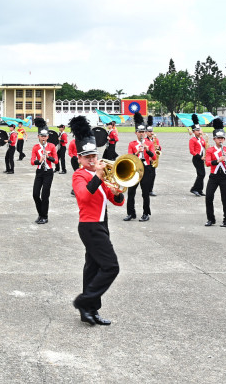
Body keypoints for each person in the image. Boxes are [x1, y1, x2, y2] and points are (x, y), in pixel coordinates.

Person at [69, 115, 125, 326]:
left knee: (92, 268)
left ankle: (90, 311)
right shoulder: (79, 175)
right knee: (111, 266)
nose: (92, 160)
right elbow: (83, 197)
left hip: (102, 224)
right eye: (87, 157)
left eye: (94, 156)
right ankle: (84, 301)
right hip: (90, 226)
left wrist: (118, 191)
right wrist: (98, 176)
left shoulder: (98, 174)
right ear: (79, 159)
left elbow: (116, 201)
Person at [204, 121, 226, 227]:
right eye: (218, 138)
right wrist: (218, 160)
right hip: (213, 176)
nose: (220, 140)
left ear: (224, 139)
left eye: (222, 138)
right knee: (208, 196)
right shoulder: (210, 150)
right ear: (214, 139)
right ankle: (210, 219)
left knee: (225, 198)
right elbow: (207, 163)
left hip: (224, 176)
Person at [125, 116, 155, 222]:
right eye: (139, 132)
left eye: (143, 132)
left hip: (146, 168)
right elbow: (129, 157)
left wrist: (147, 150)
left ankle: (146, 213)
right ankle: (130, 213)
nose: (141, 134)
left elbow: (154, 157)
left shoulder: (150, 143)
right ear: (136, 133)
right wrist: (137, 152)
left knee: (145, 192)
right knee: (131, 192)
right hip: (135, 169)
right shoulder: (132, 144)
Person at [31, 118, 58, 224]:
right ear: (38, 136)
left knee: (45, 195)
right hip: (39, 172)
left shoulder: (51, 146)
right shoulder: (36, 147)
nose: (43, 138)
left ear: (48, 136)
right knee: (35, 194)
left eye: (45, 136)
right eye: (41, 136)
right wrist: (40, 160)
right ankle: (40, 214)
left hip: (48, 172)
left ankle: (44, 216)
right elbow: (32, 161)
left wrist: (48, 157)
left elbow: (56, 161)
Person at [188, 118, 207, 197]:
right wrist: (200, 157)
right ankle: (194, 189)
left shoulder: (201, 139)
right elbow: (192, 151)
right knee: (201, 174)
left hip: (202, 158)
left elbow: (205, 147)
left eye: (199, 130)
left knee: (202, 174)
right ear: (193, 132)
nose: (199, 132)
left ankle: (200, 190)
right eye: (196, 130)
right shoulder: (192, 140)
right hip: (196, 159)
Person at [146, 119, 160, 197]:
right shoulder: (144, 140)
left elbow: (159, 148)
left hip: (154, 159)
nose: (151, 132)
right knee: (147, 176)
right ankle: (146, 189)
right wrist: (149, 157)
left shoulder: (156, 139)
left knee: (153, 175)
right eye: (149, 131)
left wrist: (159, 147)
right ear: (146, 132)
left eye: (152, 131)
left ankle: (150, 190)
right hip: (148, 160)